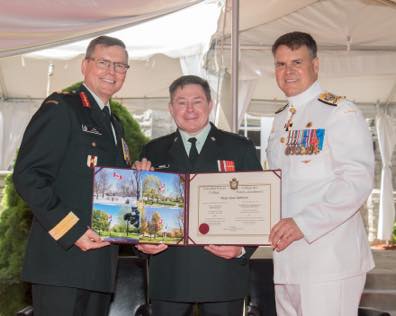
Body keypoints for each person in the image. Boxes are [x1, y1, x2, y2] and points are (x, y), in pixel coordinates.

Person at [13, 35, 131, 316]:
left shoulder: (115, 124)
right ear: (85, 65)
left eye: (120, 66)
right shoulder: (63, 108)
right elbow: (28, 175)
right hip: (61, 263)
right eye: (103, 62)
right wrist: (73, 230)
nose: (111, 72)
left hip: (100, 267)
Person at [134, 75, 262, 316]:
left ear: (210, 105)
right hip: (169, 275)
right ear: (171, 108)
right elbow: (138, 209)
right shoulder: (153, 150)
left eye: (197, 101)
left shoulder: (239, 147)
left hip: (222, 275)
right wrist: (141, 244)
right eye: (181, 102)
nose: (190, 109)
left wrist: (243, 248)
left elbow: (258, 207)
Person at [267, 31, 375, 316]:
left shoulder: (340, 112)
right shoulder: (280, 119)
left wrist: (303, 223)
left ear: (315, 65)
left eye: (296, 62)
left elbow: (356, 181)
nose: (287, 71)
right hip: (286, 260)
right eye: (280, 64)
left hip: (329, 259)